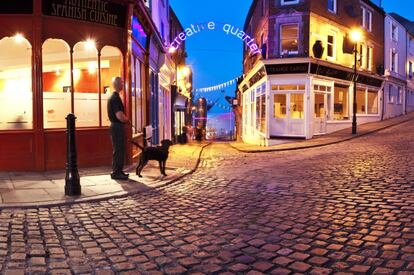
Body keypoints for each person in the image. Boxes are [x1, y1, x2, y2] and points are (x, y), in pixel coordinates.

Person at [107, 77, 130, 180]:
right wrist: (126, 120)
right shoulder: (115, 98)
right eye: (122, 82)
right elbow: (119, 115)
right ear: (117, 84)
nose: (123, 84)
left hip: (115, 126)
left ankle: (118, 171)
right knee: (119, 149)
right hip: (117, 127)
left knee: (119, 149)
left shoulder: (114, 97)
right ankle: (117, 173)